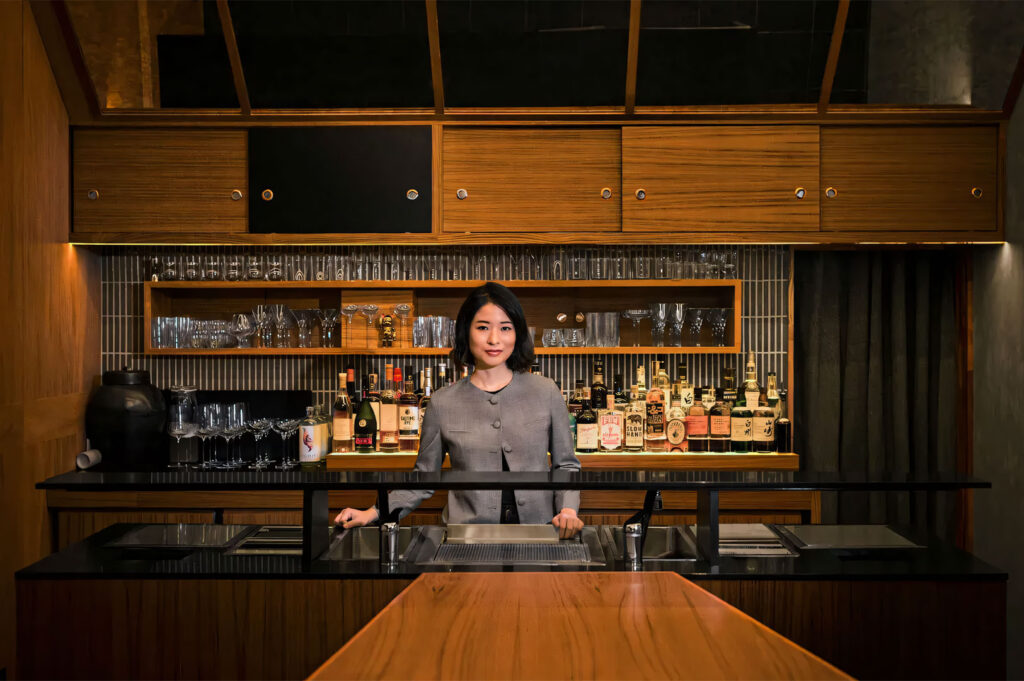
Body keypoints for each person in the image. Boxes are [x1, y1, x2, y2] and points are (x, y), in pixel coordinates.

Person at [335, 282, 584, 538]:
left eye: (505, 328)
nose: (494, 339)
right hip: (468, 538)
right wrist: (373, 513)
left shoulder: (546, 391)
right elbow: (423, 480)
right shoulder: (443, 403)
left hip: (539, 534)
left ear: (517, 333)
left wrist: (568, 510)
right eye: (483, 327)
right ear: (466, 331)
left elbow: (566, 465)